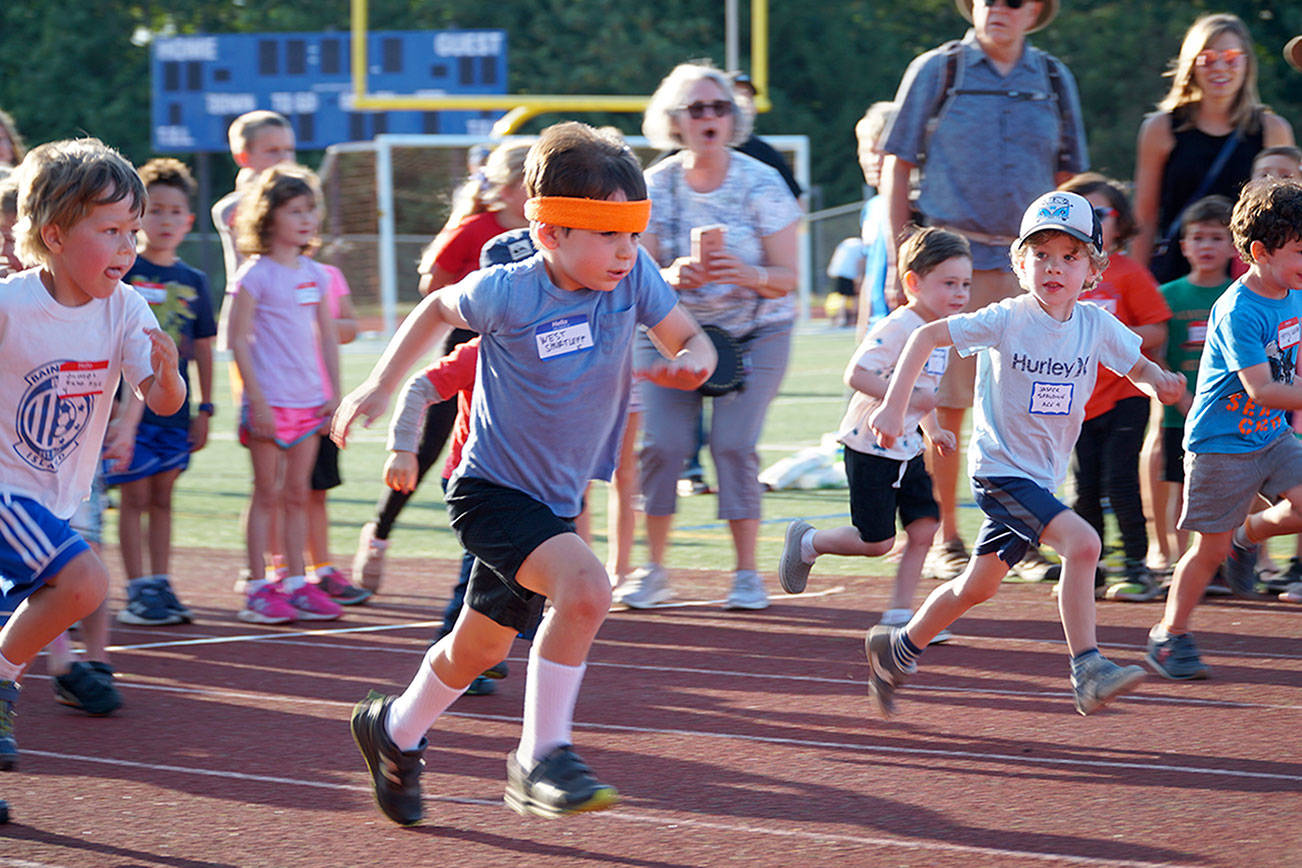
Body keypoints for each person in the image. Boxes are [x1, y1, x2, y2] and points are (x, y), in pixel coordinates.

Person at [332, 121, 715, 825]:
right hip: (490, 494)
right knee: (588, 588)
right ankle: (540, 756)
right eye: (607, 236)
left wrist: (697, 361)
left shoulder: (635, 280)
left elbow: (686, 336)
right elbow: (433, 307)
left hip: (553, 501)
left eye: (633, 235)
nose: (625, 253)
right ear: (551, 235)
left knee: (477, 647)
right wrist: (383, 388)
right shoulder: (510, 291)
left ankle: (393, 730)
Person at [865, 191, 1185, 718]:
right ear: (1019, 263)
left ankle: (897, 646)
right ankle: (1088, 667)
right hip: (999, 473)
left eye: (1069, 255)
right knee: (1083, 543)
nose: (1054, 267)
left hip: (1040, 479)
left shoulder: (1096, 326)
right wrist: (894, 408)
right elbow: (924, 336)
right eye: (1040, 254)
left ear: (1093, 269)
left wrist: (1161, 384)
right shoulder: (1005, 319)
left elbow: (1139, 368)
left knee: (978, 586)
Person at [878, 0, 1088, 585]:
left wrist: (1066, 261)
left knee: (1037, 401)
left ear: (1037, 10)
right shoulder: (936, 70)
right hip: (954, 261)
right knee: (945, 403)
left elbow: (1071, 176)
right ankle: (946, 535)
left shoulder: (1052, 77)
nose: (998, 6)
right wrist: (905, 256)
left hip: (1031, 263)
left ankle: (1027, 533)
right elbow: (896, 161)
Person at [0, 138, 185, 770]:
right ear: (53, 235)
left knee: (73, 589)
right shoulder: (11, 306)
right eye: (109, 230)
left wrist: (167, 374)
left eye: (132, 230)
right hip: (5, 491)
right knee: (85, 581)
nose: (128, 248)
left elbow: (162, 402)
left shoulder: (126, 308)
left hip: (54, 497)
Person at [621, 61, 801, 611]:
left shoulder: (762, 182)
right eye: (696, 108)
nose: (709, 117)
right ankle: (653, 570)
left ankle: (747, 574)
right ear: (674, 120)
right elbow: (635, 270)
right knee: (664, 447)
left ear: (733, 117)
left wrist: (743, 274)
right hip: (672, 332)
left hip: (755, 333)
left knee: (733, 445)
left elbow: (789, 279)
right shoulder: (652, 184)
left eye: (719, 107)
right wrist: (671, 277)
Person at [352, 140, 532, 593]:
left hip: (525, 357)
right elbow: (432, 285)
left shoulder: (548, 231)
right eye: (531, 182)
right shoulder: (476, 230)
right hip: (469, 349)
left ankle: (508, 564)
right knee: (432, 447)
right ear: (508, 189)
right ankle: (379, 533)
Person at [779, 228, 968, 643]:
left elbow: (925, 390)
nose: (959, 294)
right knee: (877, 542)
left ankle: (900, 616)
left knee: (923, 528)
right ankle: (809, 541)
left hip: (909, 449)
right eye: (949, 283)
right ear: (914, 283)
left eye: (965, 284)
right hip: (870, 447)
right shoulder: (900, 326)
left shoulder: (943, 331)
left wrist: (933, 428)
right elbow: (857, 373)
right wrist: (897, 402)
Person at [1144, 179, 1302, 674]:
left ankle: (1248, 534)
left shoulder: (1293, 289)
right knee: (1207, 550)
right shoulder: (1238, 309)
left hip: (1271, 434)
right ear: (1260, 251)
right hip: (1221, 445)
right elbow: (1263, 389)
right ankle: (1170, 635)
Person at [101, 158, 216, 626]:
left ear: (188, 221)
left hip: (174, 406)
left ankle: (160, 583)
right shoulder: (123, 271)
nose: (165, 221)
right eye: (155, 211)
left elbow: (204, 346)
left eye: (175, 212)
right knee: (133, 496)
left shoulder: (195, 281)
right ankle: (134, 589)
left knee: (164, 497)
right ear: (137, 218)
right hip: (126, 407)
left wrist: (206, 406)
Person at [226, 164, 342, 624]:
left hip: (310, 403)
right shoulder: (254, 274)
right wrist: (255, 400)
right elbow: (236, 339)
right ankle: (258, 586)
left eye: (310, 209)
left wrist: (334, 395)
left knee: (298, 494)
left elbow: (327, 337)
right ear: (268, 216)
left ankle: (297, 582)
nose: (307, 219)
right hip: (269, 403)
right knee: (266, 494)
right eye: (295, 210)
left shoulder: (317, 274)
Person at [1058, 173, 1172, 601]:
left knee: (1120, 481)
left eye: (1100, 213)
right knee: (1083, 487)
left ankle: (1137, 567)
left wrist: (1114, 340)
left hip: (1125, 395)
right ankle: (1092, 569)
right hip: (1076, 400)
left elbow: (1158, 330)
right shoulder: (1060, 275)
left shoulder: (1128, 273)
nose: (1092, 222)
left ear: (1120, 223)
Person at [1132, 13, 1295, 285]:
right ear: (1192, 64)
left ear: (1247, 64)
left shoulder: (1271, 129)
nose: (1220, 67)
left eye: (1231, 57)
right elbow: (1144, 219)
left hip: (1251, 276)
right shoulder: (1160, 128)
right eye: (1207, 58)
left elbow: (1288, 215)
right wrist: (1136, 287)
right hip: (1178, 276)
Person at [1149, 195, 1237, 582]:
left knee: (1236, 492)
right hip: (1180, 414)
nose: (1206, 247)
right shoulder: (1168, 295)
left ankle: (1232, 563)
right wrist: (1182, 398)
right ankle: (1180, 562)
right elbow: (1158, 352)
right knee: (1184, 491)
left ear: (1233, 246)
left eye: (1216, 238)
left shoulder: (1241, 292)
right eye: (1198, 238)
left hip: (1234, 414)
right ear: (1183, 246)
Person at [855, 101, 897, 333]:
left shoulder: (918, 206)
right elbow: (870, 273)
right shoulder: (872, 208)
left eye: (880, 152)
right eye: (866, 152)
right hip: (878, 326)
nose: (873, 160)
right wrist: (863, 328)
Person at [824, 236, 864, 327]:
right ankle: (850, 318)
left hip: (837, 271)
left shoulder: (849, 243)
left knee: (843, 297)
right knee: (853, 297)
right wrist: (860, 277)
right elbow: (860, 262)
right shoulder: (860, 245)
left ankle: (842, 318)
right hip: (848, 273)